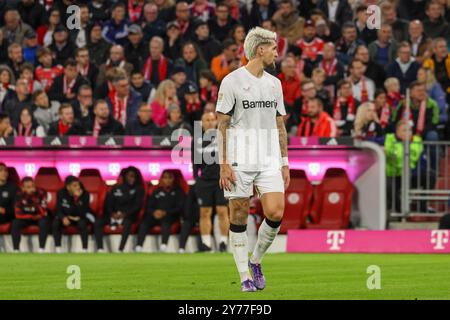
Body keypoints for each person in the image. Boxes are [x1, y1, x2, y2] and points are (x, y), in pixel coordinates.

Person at [216, 27, 290, 292]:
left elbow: (279, 125)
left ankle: (256, 260)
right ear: (260, 49)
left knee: (275, 212)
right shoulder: (231, 81)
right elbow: (221, 124)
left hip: (269, 157)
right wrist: (223, 163)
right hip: (240, 158)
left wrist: (284, 161)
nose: (276, 53)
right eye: (273, 48)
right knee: (239, 214)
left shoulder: (274, 84)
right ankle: (244, 275)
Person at [193, 112, 229, 252]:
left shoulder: (222, 138)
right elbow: (195, 163)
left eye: (212, 119)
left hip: (221, 178)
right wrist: (197, 180)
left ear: (216, 121)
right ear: (202, 123)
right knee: (205, 212)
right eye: (206, 120)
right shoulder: (197, 139)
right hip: (205, 181)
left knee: (222, 210)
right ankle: (206, 243)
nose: (209, 122)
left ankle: (223, 242)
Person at [95, 166, 145, 252]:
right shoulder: (115, 188)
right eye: (130, 176)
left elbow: (137, 206)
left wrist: (124, 214)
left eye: (134, 176)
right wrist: (112, 214)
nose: (132, 178)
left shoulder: (139, 189)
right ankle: (100, 249)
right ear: (125, 176)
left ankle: (120, 249)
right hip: (113, 215)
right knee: (98, 222)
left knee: (128, 223)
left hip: (128, 216)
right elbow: (108, 203)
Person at [135, 170, 185, 252]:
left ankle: (164, 245)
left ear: (174, 179)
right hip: (155, 215)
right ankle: (139, 246)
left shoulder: (179, 192)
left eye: (170, 178)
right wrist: (154, 212)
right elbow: (149, 206)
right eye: (165, 178)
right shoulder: (157, 191)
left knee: (166, 222)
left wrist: (165, 212)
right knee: (144, 223)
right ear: (162, 179)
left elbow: (180, 208)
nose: (167, 180)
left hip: (170, 216)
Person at [52, 176, 94, 253]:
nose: (78, 187)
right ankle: (58, 249)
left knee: (82, 223)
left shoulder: (85, 194)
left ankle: (85, 249)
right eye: (75, 185)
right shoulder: (61, 193)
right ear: (68, 187)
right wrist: (63, 217)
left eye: (78, 185)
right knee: (56, 223)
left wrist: (76, 199)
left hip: (79, 217)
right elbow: (58, 209)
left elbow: (83, 212)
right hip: (67, 217)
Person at [11, 177, 48, 253]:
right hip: (25, 217)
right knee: (15, 223)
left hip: (38, 217)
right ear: (22, 188)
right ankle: (16, 250)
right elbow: (17, 214)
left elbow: (43, 212)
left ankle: (41, 249)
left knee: (44, 222)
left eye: (32, 186)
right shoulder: (18, 194)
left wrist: (33, 200)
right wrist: (29, 216)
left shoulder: (41, 192)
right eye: (28, 187)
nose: (31, 189)